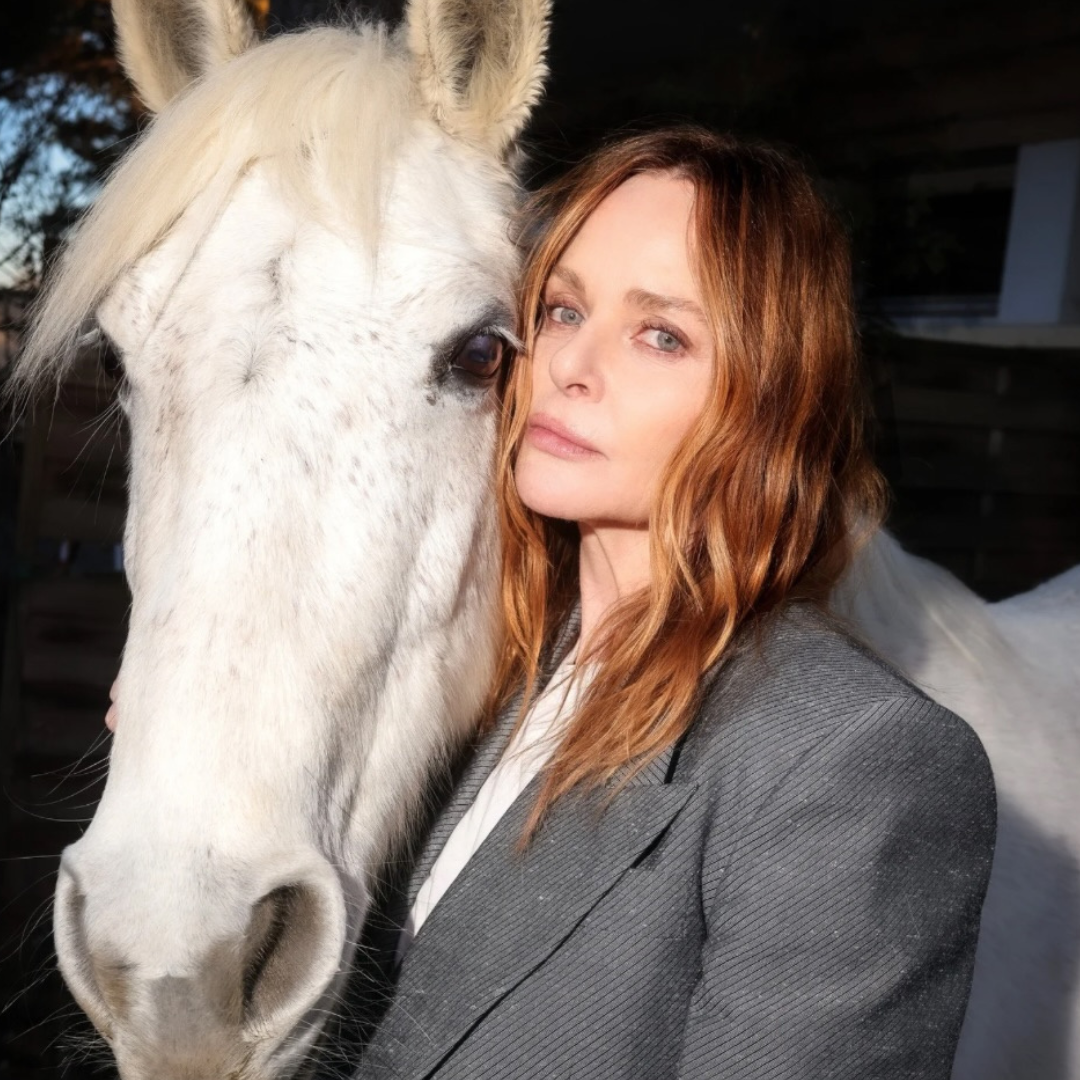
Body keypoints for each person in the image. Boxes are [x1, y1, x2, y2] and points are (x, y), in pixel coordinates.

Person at [109, 126, 996, 1078]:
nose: (571, 363)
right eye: (565, 309)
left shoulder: (858, 760)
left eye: (661, 334)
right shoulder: (493, 675)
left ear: (768, 399)